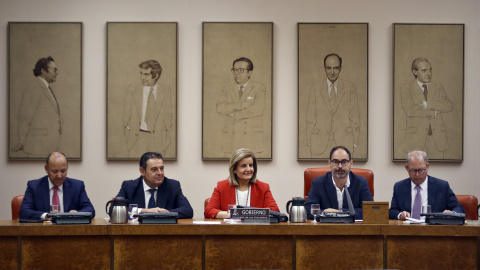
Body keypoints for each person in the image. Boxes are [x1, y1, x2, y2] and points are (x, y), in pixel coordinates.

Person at [306, 53, 360, 158]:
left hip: (344, 142)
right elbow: (310, 118)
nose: (332, 72)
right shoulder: (315, 88)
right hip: (319, 144)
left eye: (335, 68)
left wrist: (355, 142)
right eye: (328, 68)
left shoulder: (350, 88)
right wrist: (309, 141)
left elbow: (355, 117)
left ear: (340, 68)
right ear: (324, 68)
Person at [113, 152, 193, 218]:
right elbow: (113, 210)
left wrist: (160, 213)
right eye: (154, 169)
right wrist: (145, 211)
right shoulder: (129, 186)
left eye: (161, 168)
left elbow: (188, 211)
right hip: (136, 234)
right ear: (142, 171)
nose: (160, 173)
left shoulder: (173, 186)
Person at [400, 57, 453, 159]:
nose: (428, 73)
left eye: (430, 70)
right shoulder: (406, 88)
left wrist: (428, 105)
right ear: (415, 72)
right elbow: (410, 110)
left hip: (437, 140)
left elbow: (448, 106)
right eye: (424, 70)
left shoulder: (438, 86)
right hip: (415, 139)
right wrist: (433, 113)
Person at [205, 148, 279, 219]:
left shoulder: (263, 187)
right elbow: (209, 211)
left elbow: (275, 210)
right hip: (229, 230)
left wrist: (244, 213)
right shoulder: (222, 186)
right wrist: (232, 214)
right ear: (234, 169)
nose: (248, 169)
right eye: (243, 166)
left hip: (255, 230)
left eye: (251, 165)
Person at [389, 150, 464, 220]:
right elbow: (392, 211)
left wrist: (451, 213)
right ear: (407, 168)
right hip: (407, 231)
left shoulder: (442, 186)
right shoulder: (399, 187)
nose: (417, 174)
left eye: (421, 170)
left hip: (434, 231)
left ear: (427, 167)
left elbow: (459, 208)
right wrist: (400, 214)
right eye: (413, 170)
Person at [19, 152, 95, 220]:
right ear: (46, 169)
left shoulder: (77, 186)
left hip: (70, 232)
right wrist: (46, 216)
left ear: (67, 168)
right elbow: (24, 212)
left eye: (63, 171)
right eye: (54, 171)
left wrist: (77, 213)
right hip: (43, 232)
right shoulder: (34, 187)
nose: (59, 176)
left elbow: (90, 210)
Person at [12, 56, 62, 157]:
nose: (57, 73)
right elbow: (25, 117)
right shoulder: (34, 87)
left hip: (46, 146)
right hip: (37, 148)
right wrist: (22, 141)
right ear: (44, 70)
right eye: (54, 70)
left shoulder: (45, 87)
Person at [305, 146, 373, 220]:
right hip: (326, 229)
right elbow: (308, 210)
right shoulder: (318, 183)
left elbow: (370, 211)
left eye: (344, 162)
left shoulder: (361, 183)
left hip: (352, 229)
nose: (340, 166)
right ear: (329, 163)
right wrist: (326, 213)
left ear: (351, 163)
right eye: (335, 162)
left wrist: (339, 212)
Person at [216, 57, 266, 157]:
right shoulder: (227, 89)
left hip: (251, 139)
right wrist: (241, 105)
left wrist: (235, 115)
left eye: (241, 70)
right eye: (234, 70)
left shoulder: (258, 88)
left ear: (249, 73)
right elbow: (220, 107)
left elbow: (258, 109)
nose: (236, 73)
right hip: (231, 139)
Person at [123, 60, 173, 158]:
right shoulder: (132, 90)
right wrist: (128, 136)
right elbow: (126, 116)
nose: (142, 77)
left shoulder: (166, 91)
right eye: (141, 73)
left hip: (159, 141)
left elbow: (169, 117)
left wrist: (165, 137)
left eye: (146, 74)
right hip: (137, 139)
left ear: (156, 75)